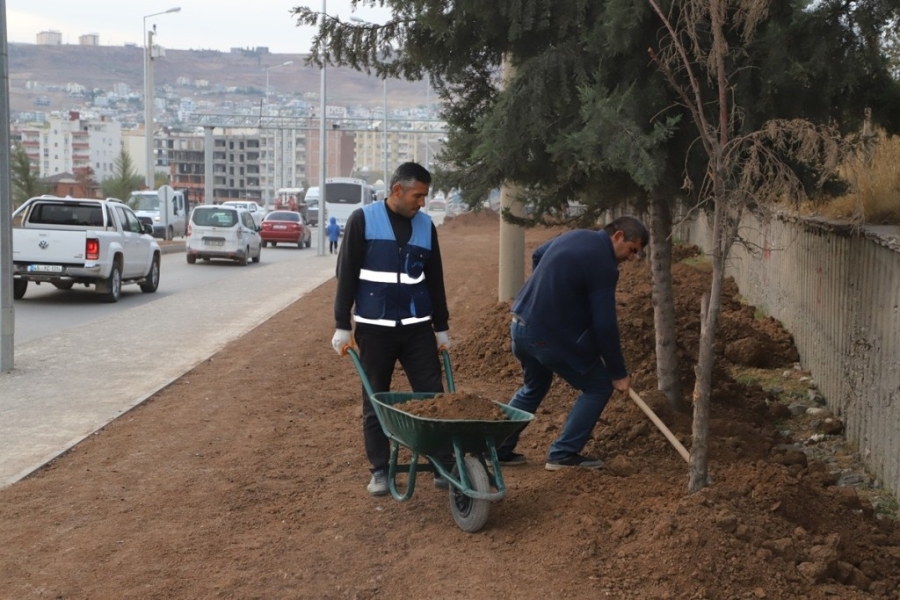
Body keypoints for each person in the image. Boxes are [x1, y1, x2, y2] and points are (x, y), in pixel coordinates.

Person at [331, 162, 451, 496]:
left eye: (425, 196)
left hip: (417, 331)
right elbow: (347, 275)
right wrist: (343, 324)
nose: (422, 203)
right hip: (375, 330)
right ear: (397, 190)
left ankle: (442, 462)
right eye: (418, 195)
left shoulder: (426, 227)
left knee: (434, 398)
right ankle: (381, 470)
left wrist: (441, 327)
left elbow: (435, 280)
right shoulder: (363, 220)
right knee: (376, 401)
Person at [497, 216, 648, 471]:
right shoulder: (604, 265)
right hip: (544, 337)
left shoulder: (575, 235)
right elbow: (604, 324)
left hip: (520, 324)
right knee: (599, 385)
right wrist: (617, 372)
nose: (631, 257)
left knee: (534, 386)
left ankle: (498, 448)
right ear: (618, 236)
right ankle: (564, 454)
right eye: (632, 250)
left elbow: (538, 255)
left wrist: (551, 293)